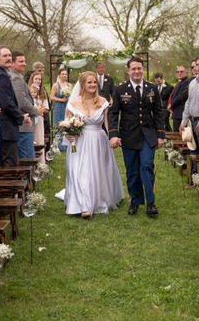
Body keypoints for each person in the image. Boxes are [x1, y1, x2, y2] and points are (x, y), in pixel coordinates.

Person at [108, 56, 166, 217]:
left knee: (146, 166)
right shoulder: (120, 89)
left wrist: (160, 134)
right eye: (133, 68)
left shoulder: (152, 88)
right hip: (128, 136)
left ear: (143, 69)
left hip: (148, 136)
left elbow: (160, 112)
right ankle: (135, 201)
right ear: (128, 70)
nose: (137, 71)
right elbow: (113, 113)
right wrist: (113, 135)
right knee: (132, 171)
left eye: (139, 68)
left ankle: (151, 202)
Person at [64, 71, 124, 217]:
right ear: (83, 84)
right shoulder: (73, 102)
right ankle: (84, 206)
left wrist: (113, 137)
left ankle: (98, 199)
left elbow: (107, 123)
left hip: (98, 140)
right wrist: (69, 134)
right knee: (79, 171)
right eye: (89, 82)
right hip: (80, 141)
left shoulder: (103, 101)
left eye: (94, 82)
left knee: (97, 171)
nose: (92, 85)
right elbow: (66, 123)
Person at [0, 46, 30, 166]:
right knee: (9, 165)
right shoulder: (1, 75)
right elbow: (6, 103)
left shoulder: (3, 74)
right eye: (4, 56)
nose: (8, 58)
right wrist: (21, 117)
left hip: (6, 127)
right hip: (5, 128)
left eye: (10, 55)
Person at [10, 51, 43, 159]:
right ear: (12, 63)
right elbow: (21, 102)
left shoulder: (18, 76)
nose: (24, 63)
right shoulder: (15, 78)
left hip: (24, 125)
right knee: (27, 158)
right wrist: (36, 110)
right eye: (20, 61)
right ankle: (27, 177)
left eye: (24, 61)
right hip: (23, 126)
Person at [28, 71, 49, 163]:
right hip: (30, 119)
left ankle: (40, 163)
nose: (38, 80)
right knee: (31, 140)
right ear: (32, 79)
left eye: (40, 79)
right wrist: (36, 109)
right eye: (36, 78)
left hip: (39, 119)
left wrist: (41, 110)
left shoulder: (42, 92)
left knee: (39, 140)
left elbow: (46, 108)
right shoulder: (27, 90)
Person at [169, 65, 190, 132]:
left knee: (179, 136)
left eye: (181, 71)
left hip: (181, 114)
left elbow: (181, 96)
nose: (179, 73)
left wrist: (171, 105)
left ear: (186, 72)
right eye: (177, 72)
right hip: (177, 113)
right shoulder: (180, 82)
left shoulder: (186, 82)